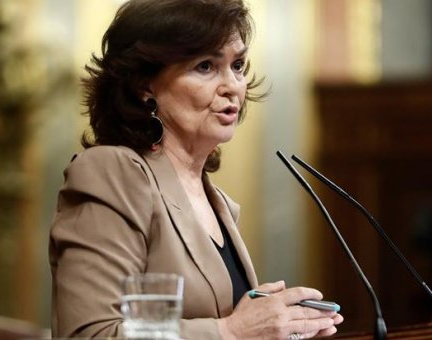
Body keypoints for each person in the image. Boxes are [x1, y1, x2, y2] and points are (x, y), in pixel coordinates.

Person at [48, 0, 343, 339]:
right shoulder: (112, 172)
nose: (232, 85)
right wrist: (232, 331)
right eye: (205, 66)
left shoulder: (218, 202)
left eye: (238, 65)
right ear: (145, 85)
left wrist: (279, 330)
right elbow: (89, 335)